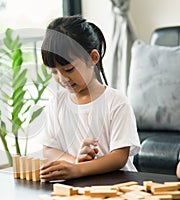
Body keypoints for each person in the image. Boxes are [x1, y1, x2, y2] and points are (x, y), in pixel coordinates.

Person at [39, 15, 141, 181]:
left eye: (69, 69)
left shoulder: (116, 102)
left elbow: (119, 157)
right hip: (82, 186)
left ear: (93, 58)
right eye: (54, 72)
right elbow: (49, 149)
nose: (62, 78)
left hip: (119, 185)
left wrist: (79, 169)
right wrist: (75, 163)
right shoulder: (57, 103)